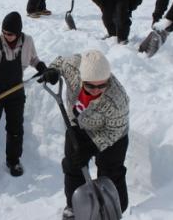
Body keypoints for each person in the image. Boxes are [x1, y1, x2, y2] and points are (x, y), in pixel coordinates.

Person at [38, 50, 129, 220]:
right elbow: (59, 61)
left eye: (102, 85)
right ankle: (74, 206)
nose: (96, 90)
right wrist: (52, 71)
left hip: (113, 134)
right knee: (73, 165)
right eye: (90, 86)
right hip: (80, 125)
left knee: (111, 171)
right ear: (82, 78)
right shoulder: (73, 68)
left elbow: (114, 131)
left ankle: (116, 208)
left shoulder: (117, 99)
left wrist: (92, 147)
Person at [0, 11, 47, 187]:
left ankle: (13, 160)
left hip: (16, 91)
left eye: (11, 34)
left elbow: (33, 58)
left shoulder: (27, 41)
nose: (7, 36)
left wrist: (41, 66)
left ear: (19, 33)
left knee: (15, 129)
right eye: (4, 32)